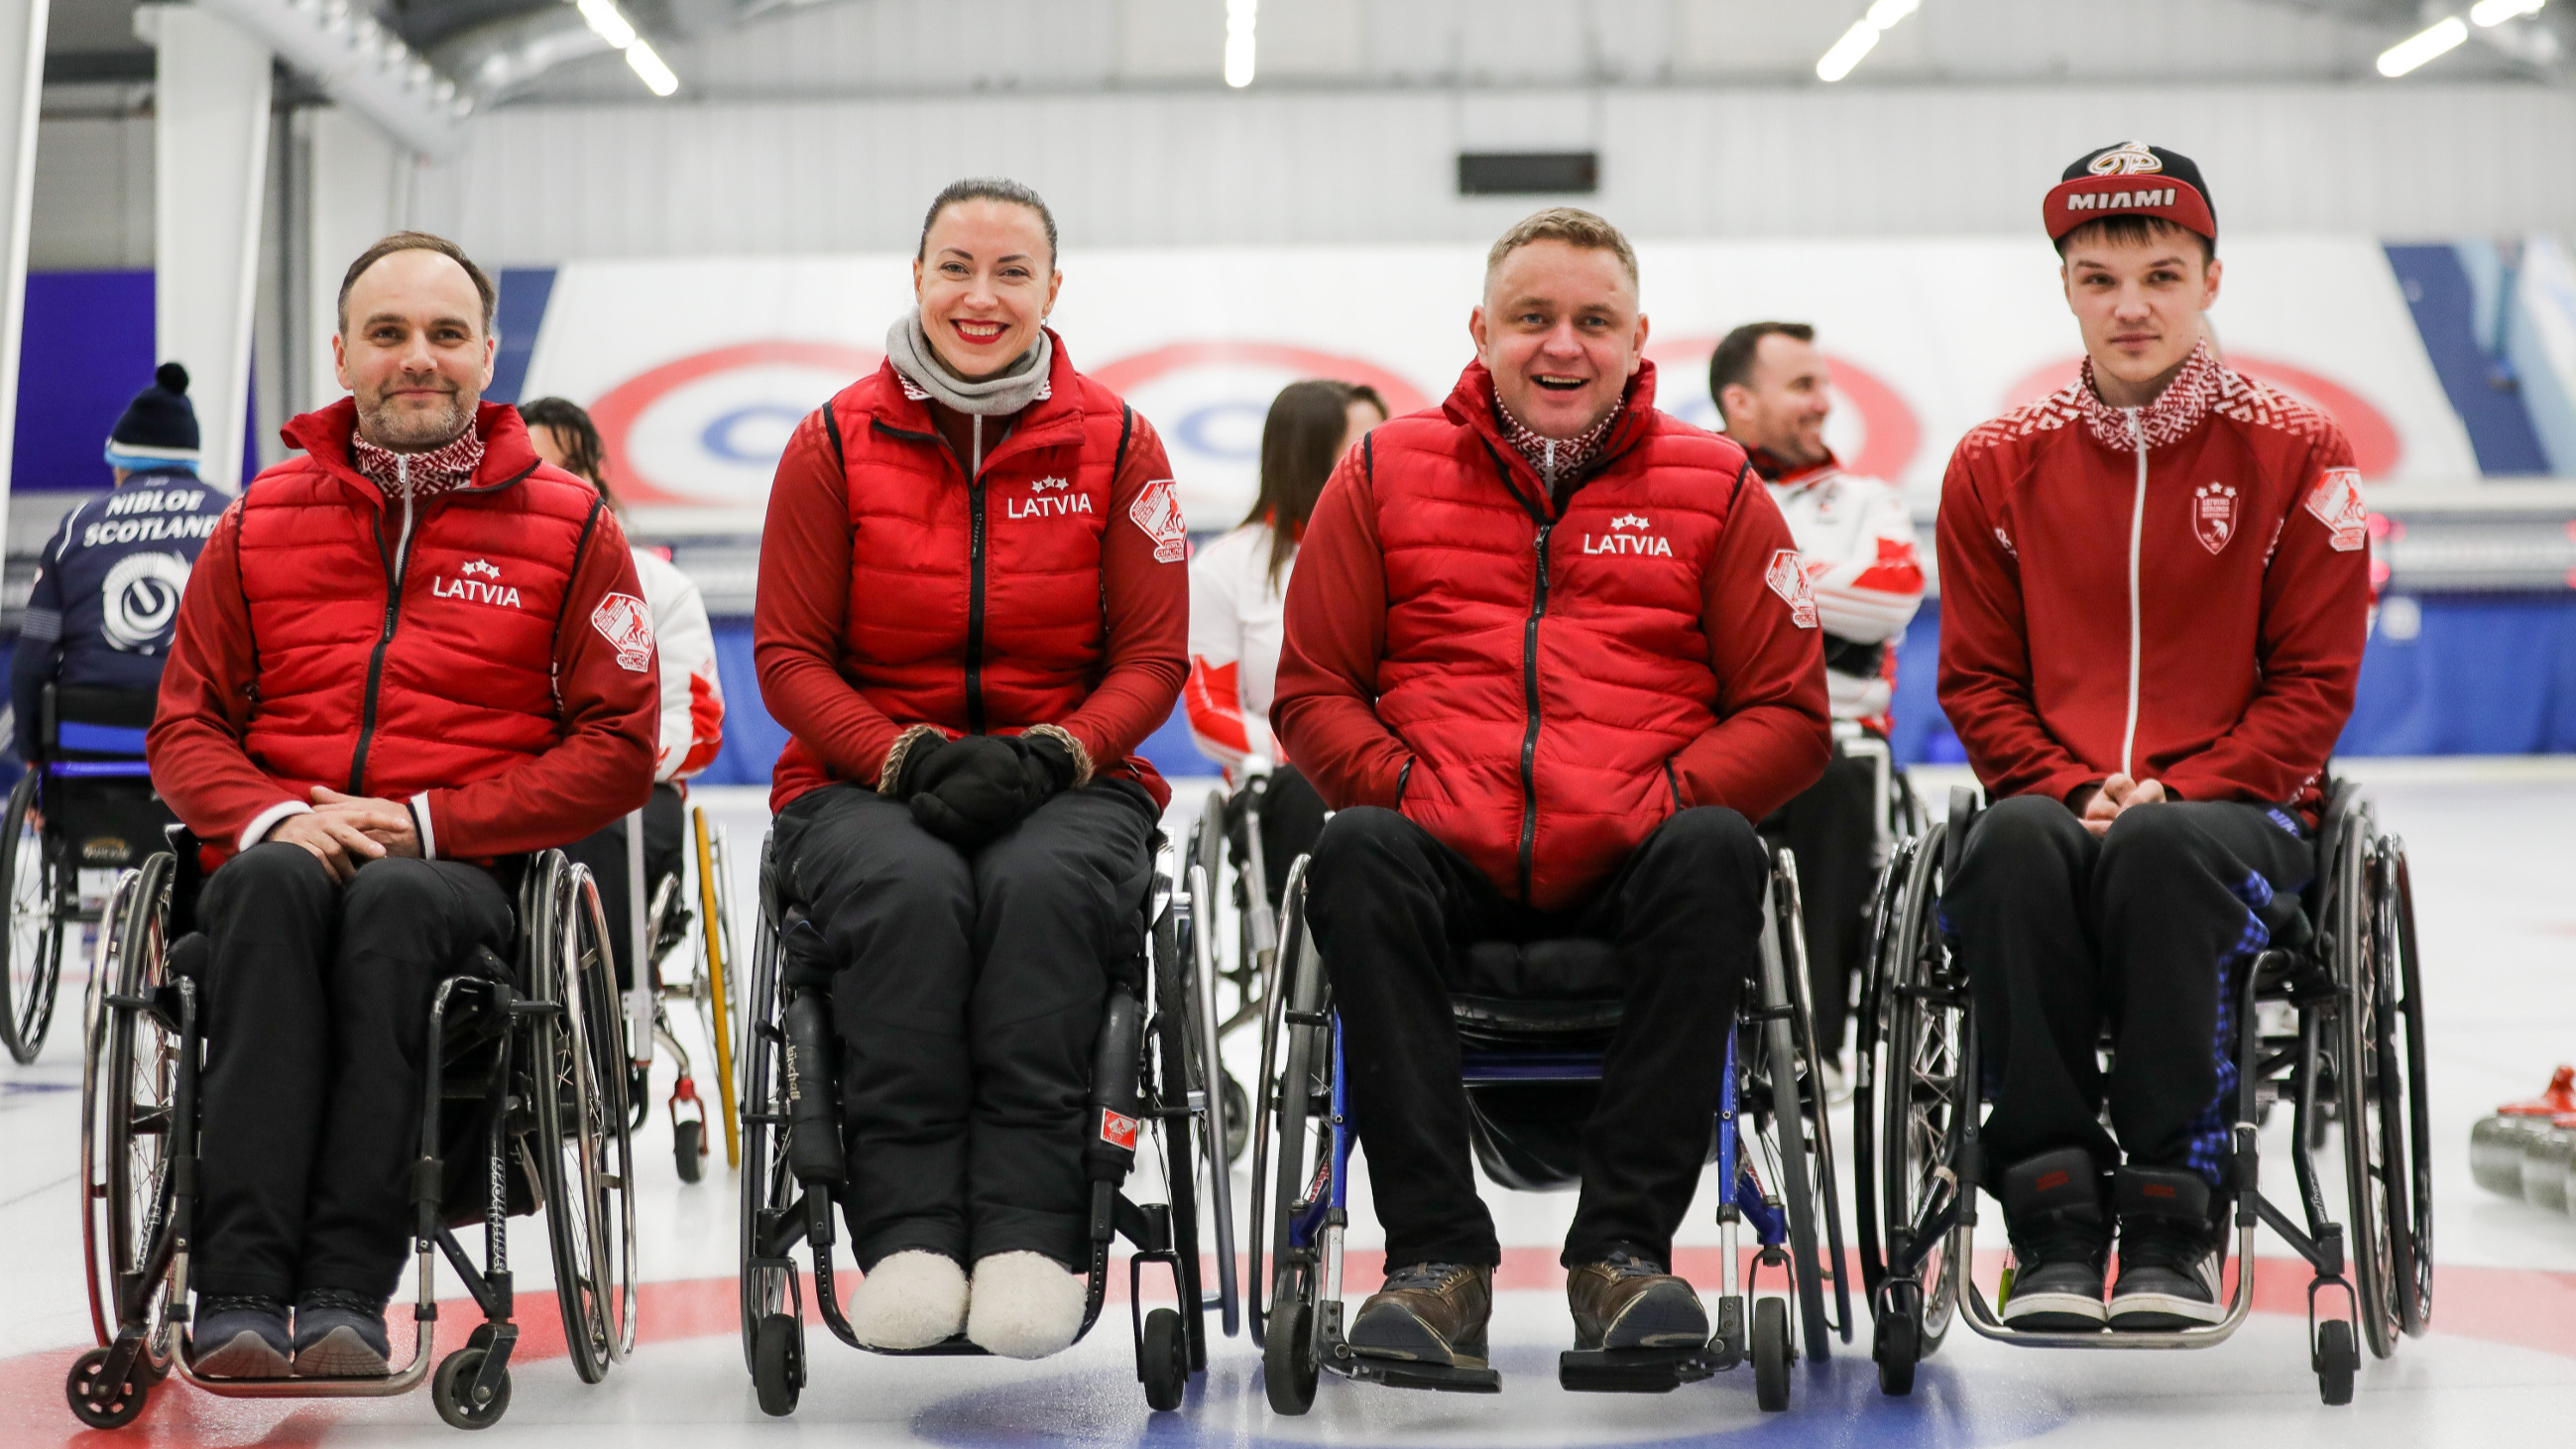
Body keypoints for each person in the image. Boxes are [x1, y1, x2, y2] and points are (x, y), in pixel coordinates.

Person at [1273, 207, 1829, 1368]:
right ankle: (1436, 1264)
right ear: (1481, 330)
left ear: (1638, 340)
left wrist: (1659, 799)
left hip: (1638, 853)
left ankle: (1622, 1258)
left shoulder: (1718, 487)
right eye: (1533, 319)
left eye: (1592, 321)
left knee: (1722, 848)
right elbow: (1313, 691)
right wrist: (1413, 787)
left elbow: (1788, 716)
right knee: (1356, 849)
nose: (1561, 346)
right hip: (1447, 849)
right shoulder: (1379, 474)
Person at [146, 232, 658, 1379]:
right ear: (343, 354)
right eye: (387, 335)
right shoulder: (251, 524)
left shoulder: (575, 530)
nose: (415, 359)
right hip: (282, 848)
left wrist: (430, 821)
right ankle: (233, 1288)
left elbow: (621, 750)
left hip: (461, 870)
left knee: (392, 910)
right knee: (272, 887)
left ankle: (343, 1290)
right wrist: (276, 815)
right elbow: (183, 728)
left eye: (441, 335)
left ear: (486, 351)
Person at [1935, 144, 2369, 1333]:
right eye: (2099, 278)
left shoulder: (2298, 447)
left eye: (2162, 275)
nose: (2131, 305)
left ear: (2211, 283)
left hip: (2241, 816)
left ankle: (2175, 1216)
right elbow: (1975, 680)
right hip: (2057, 805)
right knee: (2012, 847)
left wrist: (2178, 793)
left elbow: (2315, 683)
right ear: (2065, 286)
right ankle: (2054, 1214)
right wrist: (2071, 786)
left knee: (2164, 855)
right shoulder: (1992, 464)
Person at [755, 178, 1186, 1360]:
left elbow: (1154, 658)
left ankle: (1030, 1239)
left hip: (1067, 782)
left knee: (1040, 897)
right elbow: (788, 656)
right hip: (863, 782)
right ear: (917, 277)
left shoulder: (1121, 442)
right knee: (911, 897)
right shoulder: (833, 439)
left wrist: (1059, 752)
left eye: (1010, 272)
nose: (981, 296)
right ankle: (907, 1238)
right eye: (957, 267)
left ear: (1053, 289)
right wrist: (899, 754)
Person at [1709, 321, 1926, 1071]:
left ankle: (1815, 1049)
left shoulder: (1866, 497)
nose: (1824, 403)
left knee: (1834, 772)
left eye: (1825, 384)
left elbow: (1894, 596)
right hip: (1703, 741)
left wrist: (1741, 581)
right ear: (1738, 400)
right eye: (1802, 385)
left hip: (1831, 738)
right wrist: (1813, 585)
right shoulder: (1684, 487)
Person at [522, 396, 726, 1003]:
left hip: (628, 798)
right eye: (533, 467)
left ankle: (595, 1012)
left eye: (568, 466)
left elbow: (697, 729)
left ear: (596, 477)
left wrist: (592, 769)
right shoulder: (484, 581)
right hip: (516, 790)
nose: (551, 482)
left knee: (602, 824)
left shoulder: (661, 589)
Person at [1184, 378, 1386, 905]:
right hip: (1290, 782)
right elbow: (1209, 712)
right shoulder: (1225, 568)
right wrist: (1317, 751)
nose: (1381, 457)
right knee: (1306, 790)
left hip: (1393, 769)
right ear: (1310, 454)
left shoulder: (1404, 557)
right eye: (1362, 444)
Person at [11, 363, 224, 766]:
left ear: (123, 464)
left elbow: (30, 663)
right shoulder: (236, 519)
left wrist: (33, 758)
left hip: (88, 746)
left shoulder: (77, 527)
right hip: (200, 750)